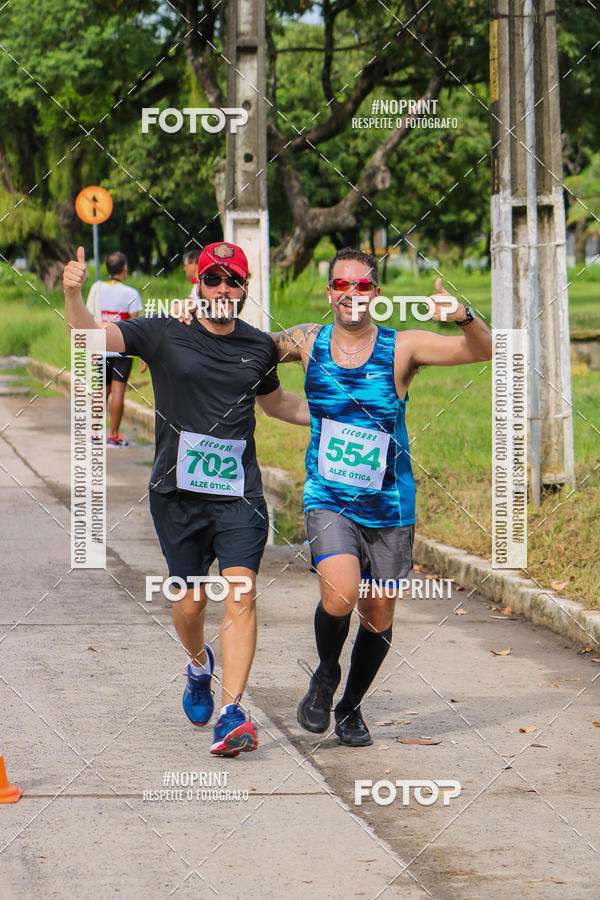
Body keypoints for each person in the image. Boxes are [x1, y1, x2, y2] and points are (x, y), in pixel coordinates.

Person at [64, 241, 310, 757]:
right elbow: (88, 337)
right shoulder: (162, 331)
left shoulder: (259, 346)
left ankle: (233, 713)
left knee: (240, 592)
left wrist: (335, 415)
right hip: (176, 494)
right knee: (190, 602)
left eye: (234, 280)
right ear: (198, 283)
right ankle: (199, 665)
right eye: (214, 279)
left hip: (239, 492)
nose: (224, 288)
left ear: (245, 289)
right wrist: (71, 292)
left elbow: (277, 403)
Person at [270, 247, 493, 747]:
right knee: (341, 592)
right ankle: (326, 673)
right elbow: (249, 351)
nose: (352, 294)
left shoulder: (403, 346)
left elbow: (485, 351)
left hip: (390, 504)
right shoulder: (308, 340)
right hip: (328, 496)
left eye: (363, 286)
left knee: (378, 616)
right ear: (329, 293)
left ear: (376, 293)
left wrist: (464, 316)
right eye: (342, 285)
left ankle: (350, 707)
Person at [86, 251, 145, 447]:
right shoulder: (131, 294)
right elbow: (137, 327)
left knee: (102, 390)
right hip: (123, 349)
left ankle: (95, 434)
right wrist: (143, 354)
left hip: (101, 347)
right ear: (125, 269)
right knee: (118, 391)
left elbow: (90, 318)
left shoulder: (97, 290)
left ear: (107, 270)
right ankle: (113, 435)